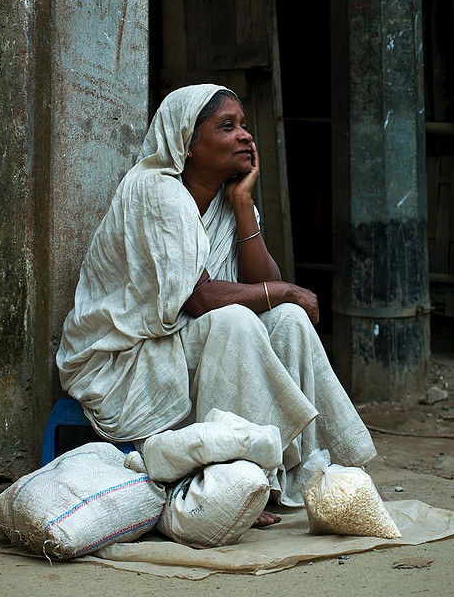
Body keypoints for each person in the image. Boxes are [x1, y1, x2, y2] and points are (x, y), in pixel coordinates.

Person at [57, 83, 376, 516]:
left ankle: (298, 476)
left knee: (287, 320)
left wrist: (244, 203)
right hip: (123, 360)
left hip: (182, 343)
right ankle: (231, 480)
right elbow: (201, 298)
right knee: (234, 320)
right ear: (186, 143)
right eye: (227, 126)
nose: (245, 135)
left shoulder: (230, 201)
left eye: (244, 125)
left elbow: (266, 289)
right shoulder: (154, 191)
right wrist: (283, 290)